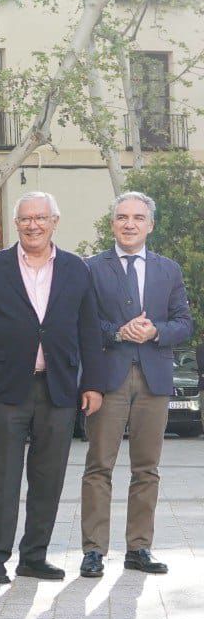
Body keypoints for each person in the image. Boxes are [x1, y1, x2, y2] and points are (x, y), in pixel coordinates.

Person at [0, 192, 104, 585]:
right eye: (25, 218)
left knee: (48, 478)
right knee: (0, 477)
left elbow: (89, 330)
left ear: (54, 222)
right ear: (16, 223)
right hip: (6, 389)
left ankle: (34, 556)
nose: (33, 225)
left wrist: (92, 383)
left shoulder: (77, 269)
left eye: (41, 217)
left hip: (58, 388)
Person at [80, 191, 192, 578]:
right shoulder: (91, 268)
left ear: (150, 225)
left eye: (138, 218)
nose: (130, 224)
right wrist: (118, 331)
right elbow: (84, 323)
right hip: (107, 378)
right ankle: (93, 550)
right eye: (122, 217)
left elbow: (185, 323)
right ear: (112, 223)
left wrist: (155, 331)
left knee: (147, 468)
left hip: (154, 378)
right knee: (99, 467)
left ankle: (139, 548)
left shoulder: (169, 270)